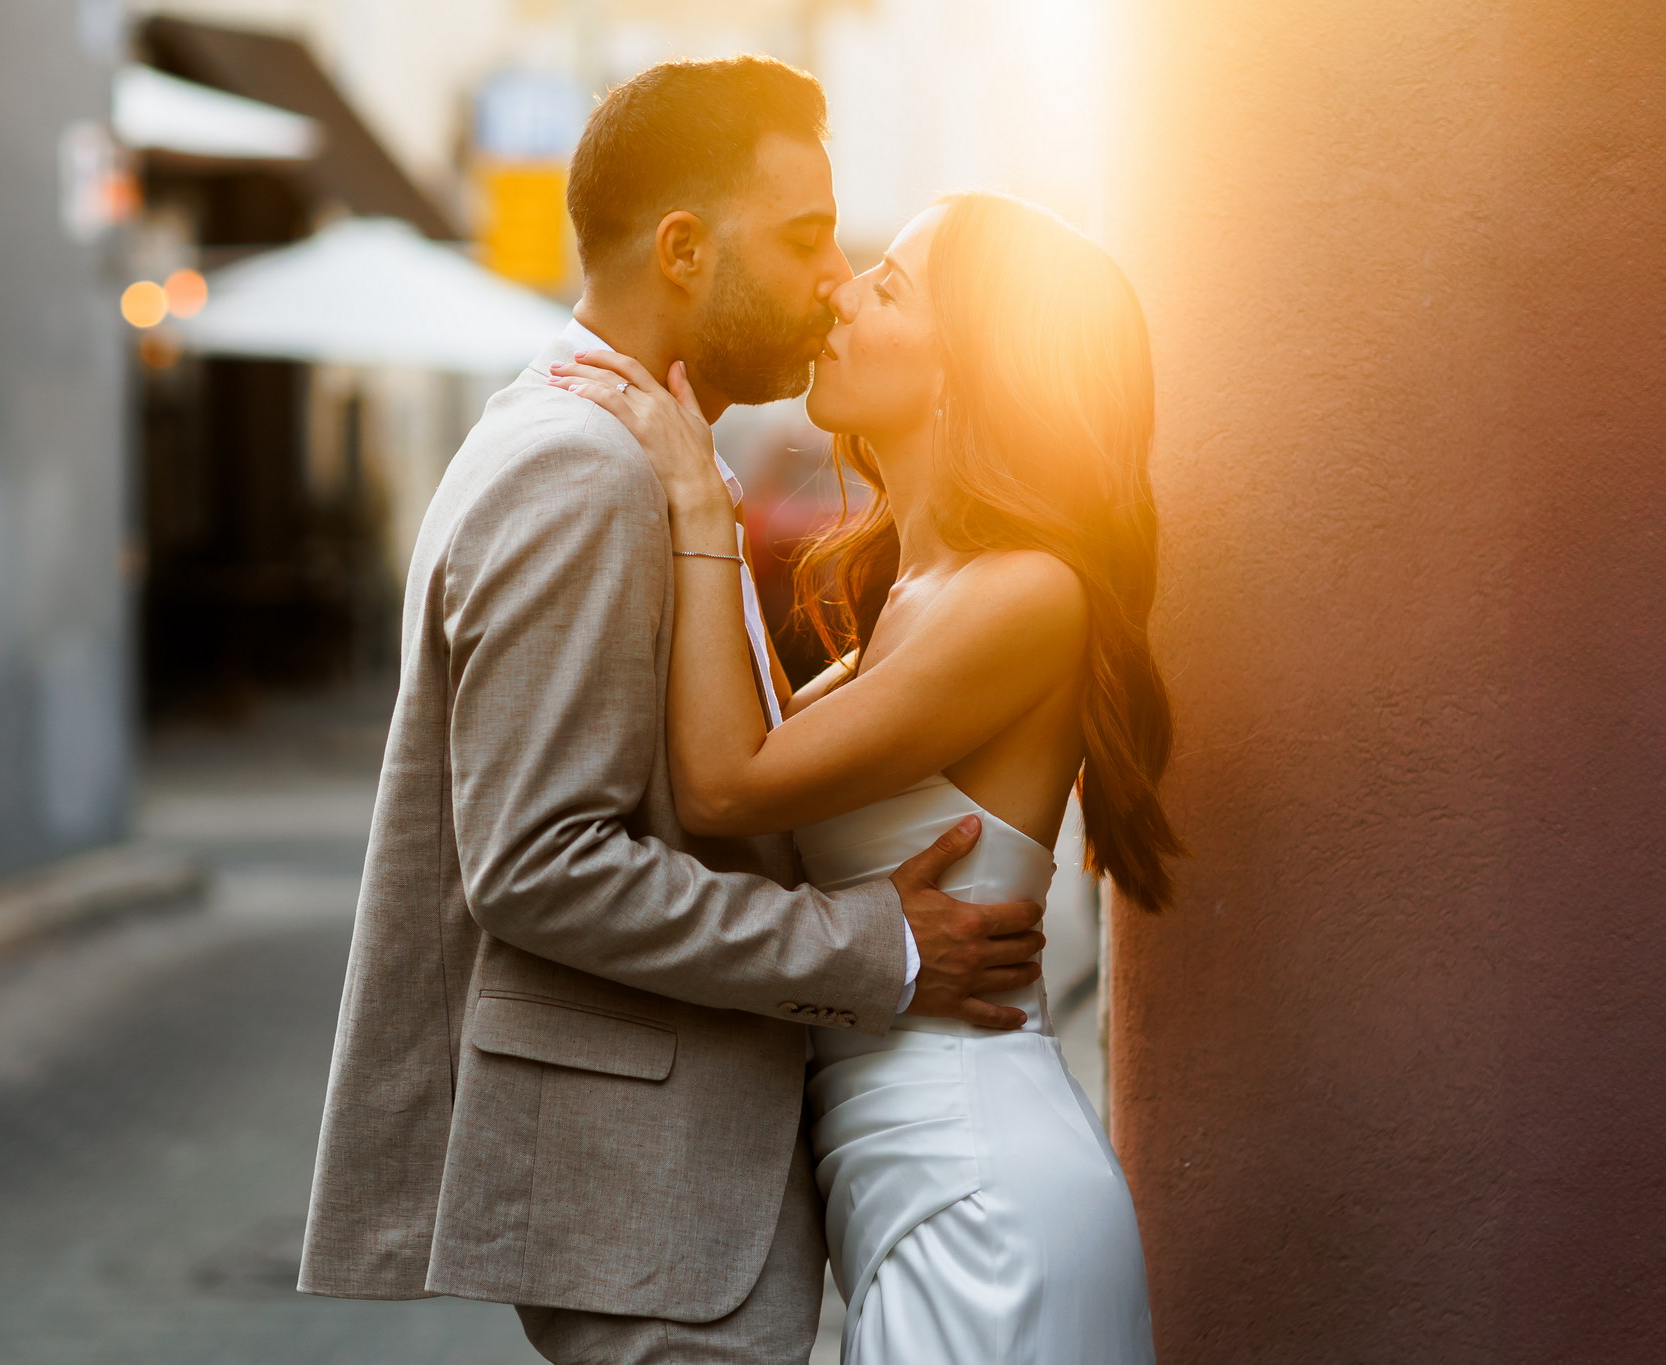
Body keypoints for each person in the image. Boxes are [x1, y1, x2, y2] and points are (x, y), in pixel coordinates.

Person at [297, 56, 1048, 1365]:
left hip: (677, 1189)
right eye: (805, 238)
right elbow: (535, 864)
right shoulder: (584, 468)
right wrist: (871, 948)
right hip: (651, 1201)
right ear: (685, 250)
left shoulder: (633, 446)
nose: (834, 279)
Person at [552, 189, 1174, 1361]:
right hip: (912, 1192)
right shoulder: (913, 595)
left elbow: (725, 785)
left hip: (979, 1202)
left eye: (887, 287)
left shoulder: (1026, 593)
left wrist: (699, 501)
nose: (838, 292)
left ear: (966, 366)